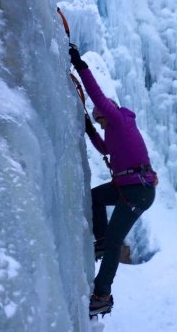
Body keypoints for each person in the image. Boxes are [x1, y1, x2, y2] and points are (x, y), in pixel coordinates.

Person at [69, 46, 158, 317]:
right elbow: (104, 149)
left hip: (138, 190)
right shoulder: (113, 131)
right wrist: (88, 127)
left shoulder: (119, 120)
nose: (101, 123)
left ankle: (102, 295)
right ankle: (101, 238)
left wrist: (79, 64)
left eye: (100, 119)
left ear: (108, 113)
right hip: (129, 188)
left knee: (115, 243)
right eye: (98, 121)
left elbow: (96, 94)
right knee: (95, 198)